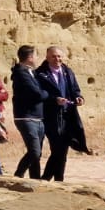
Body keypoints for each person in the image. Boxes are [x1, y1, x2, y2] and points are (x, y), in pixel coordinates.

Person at [35, 46, 83, 182]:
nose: (57, 59)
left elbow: (75, 89)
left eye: (59, 56)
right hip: (50, 116)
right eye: (53, 56)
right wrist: (54, 100)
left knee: (63, 149)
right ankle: (51, 178)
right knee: (57, 148)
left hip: (68, 115)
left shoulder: (68, 72)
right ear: (47, 57)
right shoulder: (40, 74)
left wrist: (79, 98)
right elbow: (40, 94)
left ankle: (54, 179)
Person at [10, 45, 46, 178]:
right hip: (26, 117)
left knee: (37, 154)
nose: (37, 58)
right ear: (30, 57)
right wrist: (46, 94)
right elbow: (37, 94)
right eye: (36, 55)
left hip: (37, 117)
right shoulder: (21, 73)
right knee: (34, 152)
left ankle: (35, 180)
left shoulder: (31, 72)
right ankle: (18, 175)